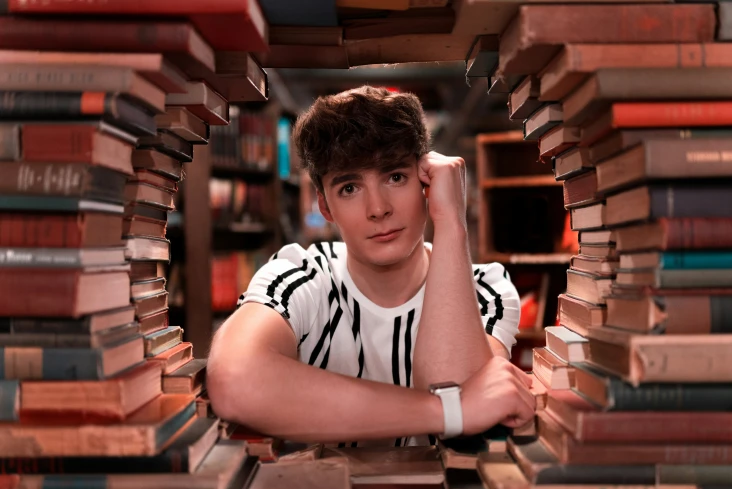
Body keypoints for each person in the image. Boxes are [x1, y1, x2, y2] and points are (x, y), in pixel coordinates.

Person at [207, 86, 535, 446]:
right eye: (349, 187)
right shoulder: (299, 275)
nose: (378, 208)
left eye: (395, 177)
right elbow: (234, 381)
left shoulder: (485, 289)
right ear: (325, 207)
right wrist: (446, 412)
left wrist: (451, 222)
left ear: (426, 182)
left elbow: (456, 395)